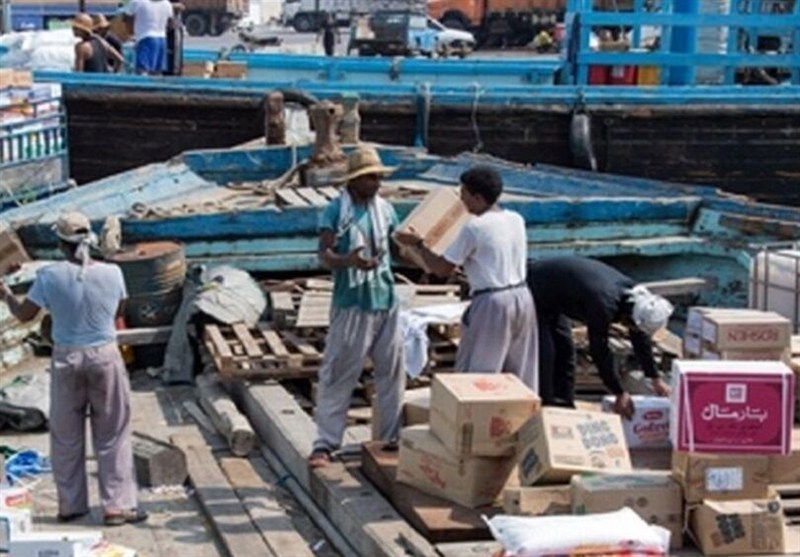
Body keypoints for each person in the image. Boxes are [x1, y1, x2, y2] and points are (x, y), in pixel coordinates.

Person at [0, 211, 146, 526]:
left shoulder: (49, 276)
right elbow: (118, 310)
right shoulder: (113, 273)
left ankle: (71, 505)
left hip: (66, 359)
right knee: (113, 434)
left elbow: (25, 314)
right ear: (90, 241)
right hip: (105, 356)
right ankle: (116, 507)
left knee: (66, 436)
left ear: (60, 243)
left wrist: (6, 293)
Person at [395, 166, 538, 389]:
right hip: (522, 296)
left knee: (479, 374)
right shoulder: (515, 219)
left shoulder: (475, 227)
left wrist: (418, 244)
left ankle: (478, 419)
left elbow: (442, 269)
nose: (461, 201)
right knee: (518, 371)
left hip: (492, 302)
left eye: (464, 195)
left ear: (478, 197)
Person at [309, 146, 406, 468]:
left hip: (386, 299)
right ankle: (325, 442)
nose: (377, 184)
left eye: (379, 178)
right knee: (339, 372)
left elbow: (396, 250)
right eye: (371, 178)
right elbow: (324, 254)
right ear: (355, 180)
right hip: (352, 303)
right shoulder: (336, 211)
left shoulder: (387, 210)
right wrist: (347, 261)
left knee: (391, 373)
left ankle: (391, 437)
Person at [527, 256, 674, 419]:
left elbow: (640, 337)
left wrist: (654, 378)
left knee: (566, 354)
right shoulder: (604, 304)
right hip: (536, 287)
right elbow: (599, 350)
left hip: (557, 294)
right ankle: (545, 413)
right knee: (547, 356)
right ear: (630, 316)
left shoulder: (637, 299)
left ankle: (565, 410)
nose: (631, 329)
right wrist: (619, 392)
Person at [125, 0, 174, 75]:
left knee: (142, 71)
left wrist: (132, 34)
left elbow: (127, 17)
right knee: (157, 72)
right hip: (162, 39)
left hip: (145, 38)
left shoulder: (137, 2)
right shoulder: (166, 3)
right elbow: (170, 23)